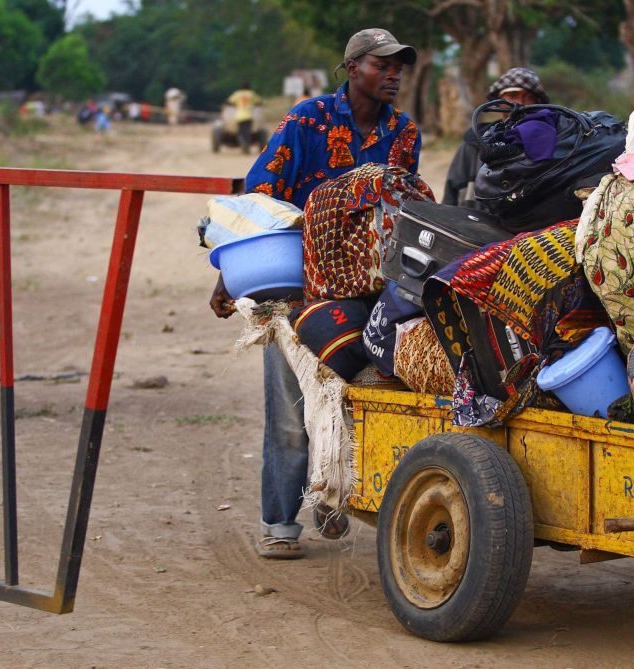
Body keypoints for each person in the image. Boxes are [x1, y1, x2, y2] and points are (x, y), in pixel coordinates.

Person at [208, 28, 421, 559]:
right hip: (298, 287)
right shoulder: (309, 120)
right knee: (289, 410)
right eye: (382, 64)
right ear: (352, 68)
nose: (393, 74)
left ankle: (331, 494)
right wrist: (229, 276)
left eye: (399, 66)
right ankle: (279, 523)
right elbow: (260, 195)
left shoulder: (404, 133)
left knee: (358, 394)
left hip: (370, 288)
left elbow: (402, 208)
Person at [442, 67, 549, 207]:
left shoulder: (547, 142)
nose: (521, 103)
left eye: (528, 97)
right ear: (500, 101)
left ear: (537, 103)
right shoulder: (473, 142)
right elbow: (450, 198)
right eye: (513, 95)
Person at [227, 81, 259, 153]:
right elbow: (258, 101)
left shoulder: (237, 94)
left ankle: (242, 145)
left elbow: (229, 101)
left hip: (239, 116)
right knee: (247, 132)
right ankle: (247, 145)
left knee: (241, 132)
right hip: (249, 116)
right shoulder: (252, 94)